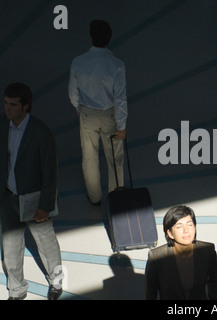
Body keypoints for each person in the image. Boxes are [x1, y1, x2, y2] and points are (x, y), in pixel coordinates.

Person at [0, 83, 63, 300]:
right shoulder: (3, 126)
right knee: (10, 248)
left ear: (26, 106)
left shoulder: (41, 132)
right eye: (6, 103)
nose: (7, 109)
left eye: (13, 105)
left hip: (34, 200)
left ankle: (56, 281)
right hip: (8, 198)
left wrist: (45, 206)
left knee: (46, 243)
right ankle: (16, 291)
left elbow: (50, 172)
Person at [68, 20, 128, 206]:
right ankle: (116, 196)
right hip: (110, 115)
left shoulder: (78, 61)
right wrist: (122, 126)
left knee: (90, 158)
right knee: (115, 158)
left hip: (87, 114)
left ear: (91, 37)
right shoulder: (117, 65)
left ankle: (94, 198)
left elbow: (72, 91)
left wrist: (79, 108)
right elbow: (120, 98)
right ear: (109, 39)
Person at [145, 205, 217, 300]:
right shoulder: (156, 256)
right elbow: (150, 293)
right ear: (170, 233)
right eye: (179, 226)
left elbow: (214, 281)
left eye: (190, 225)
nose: (186, 231)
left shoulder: (207, 250)